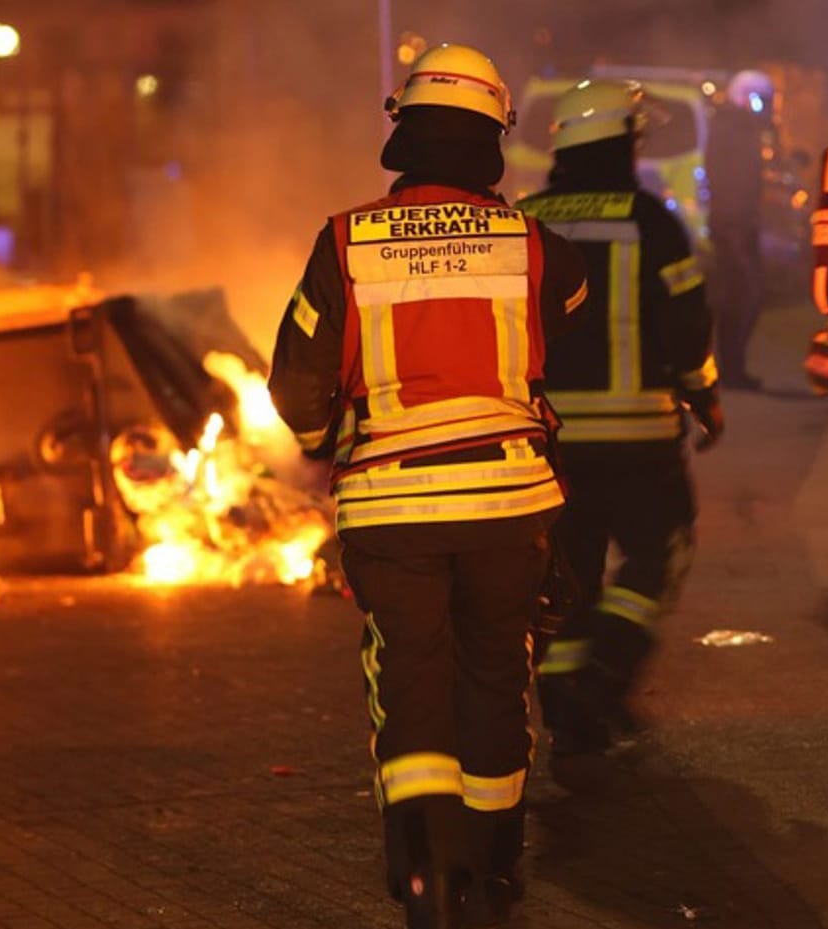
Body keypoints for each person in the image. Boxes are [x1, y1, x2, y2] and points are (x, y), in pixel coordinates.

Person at [267, 44, 587, 929]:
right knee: (494, 672)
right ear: (493, 137)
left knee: (408, 675)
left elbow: (296, 386)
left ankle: (426, 871)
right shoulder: (529, 242)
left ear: (402, 131)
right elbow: (571, 306)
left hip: (390, 509)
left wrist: (320, 439)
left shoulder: (345, 239)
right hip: (509, 505)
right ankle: (489, 868)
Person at [517, 79, 724, 763]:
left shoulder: (525, 222)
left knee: (566, 574)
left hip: (548, 442)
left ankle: (567, 704)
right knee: (658, 552)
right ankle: (602, 675)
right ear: (618, 144)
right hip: (638, 437)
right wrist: (703, 396)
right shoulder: (653, 220)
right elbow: (686, 322)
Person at [704, 69, 773, 390]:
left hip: (738, 222)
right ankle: (731, 370)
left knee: (744, 295)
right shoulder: (731, 127)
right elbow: (730, 179)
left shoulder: (738, 126)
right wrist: (736, 221)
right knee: (741, 295)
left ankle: (733, 368)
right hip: (733, 224)